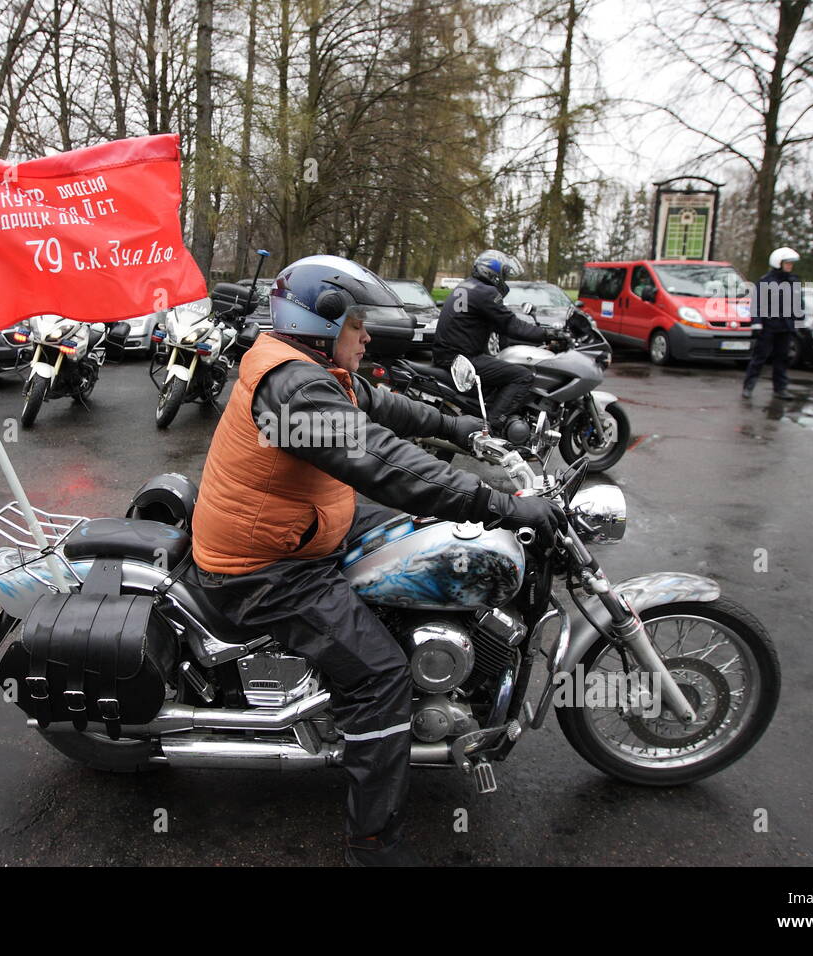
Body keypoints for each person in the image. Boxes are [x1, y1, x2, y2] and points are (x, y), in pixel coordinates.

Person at [190, 255, 564, 867]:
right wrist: (497, 504)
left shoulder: (314, 369)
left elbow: (386, 408)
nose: (367, 336)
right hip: (262, 565)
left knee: (427, 533)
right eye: (358, 324)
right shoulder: (292, 388)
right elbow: (379, 459)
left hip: (304, 527)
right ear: (323, 322)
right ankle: (374, 847)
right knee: (380, 678)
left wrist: (466, 430)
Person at [432, 250, 568, 436]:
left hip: (449, 355)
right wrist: (547, 333)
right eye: (504, 274)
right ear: (492, 272)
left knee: (504, 364)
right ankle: (493, 427)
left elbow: (499, 326)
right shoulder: (486, 292)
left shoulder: (467, 286)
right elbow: (511, 325)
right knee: (522, 376)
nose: (504, 279)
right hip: (463, 359)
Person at [742, 246, 804, 401]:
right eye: (787, 263)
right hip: (769, 326)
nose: (790, 266)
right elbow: (757, 304)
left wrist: (799, 323)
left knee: (782, 359)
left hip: (786, 327)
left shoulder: (793, 281)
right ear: (778, 263)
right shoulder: (766, 281)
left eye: (791, 263)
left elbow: (798, 304)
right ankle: (748, 387)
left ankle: (780, 389)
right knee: (759, 358)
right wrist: (756, 324)